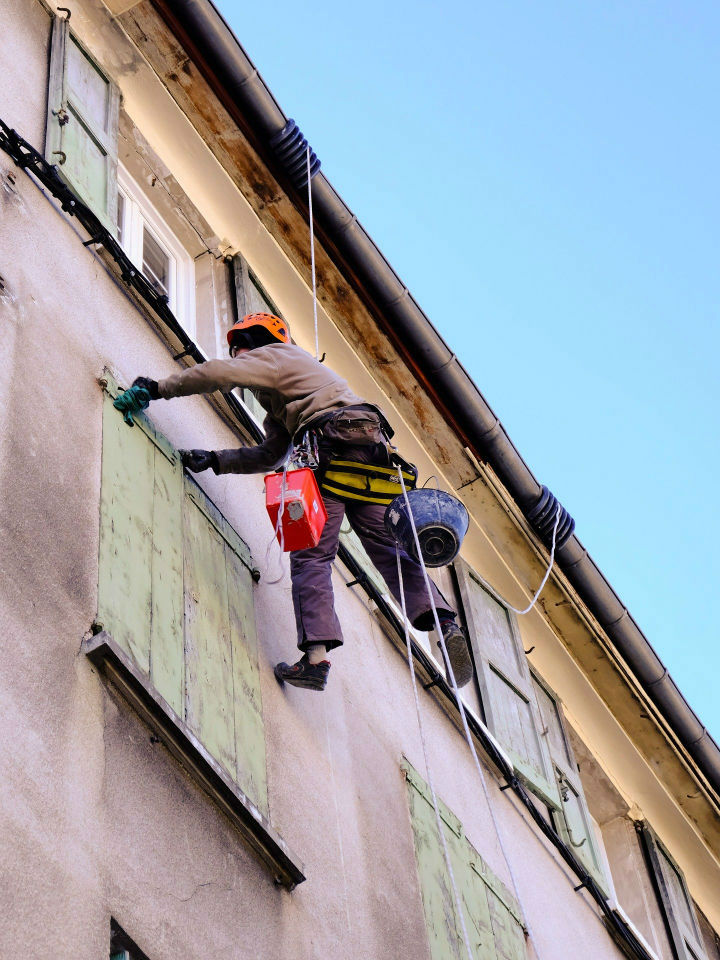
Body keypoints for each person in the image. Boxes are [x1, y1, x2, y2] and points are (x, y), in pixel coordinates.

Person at [131, 312, 473, 692]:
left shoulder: (277, 356)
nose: (238, 354)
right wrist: (215, 459)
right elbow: (271, 455)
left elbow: (216, 374)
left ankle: (316, 659)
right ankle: (443, 622)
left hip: (330, 447)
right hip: (371, 458)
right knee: (390, 547)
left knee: (311, 554)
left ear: (260, 340)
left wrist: (158, 388)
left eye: (241, 346)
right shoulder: (285, 393)